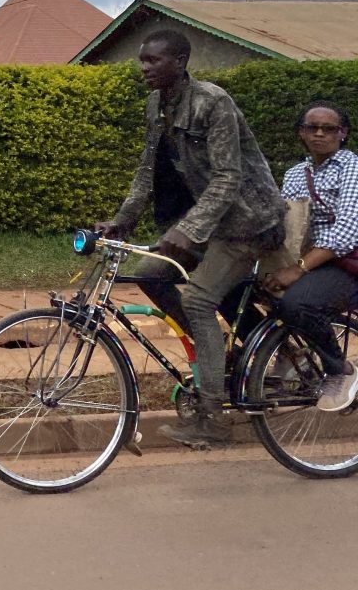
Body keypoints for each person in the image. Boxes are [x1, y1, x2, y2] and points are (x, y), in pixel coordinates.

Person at [96, 29, 283, 448]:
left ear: (179, 62)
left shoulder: (212, 102)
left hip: (248, 221)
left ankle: (212, 419)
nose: (143, 67)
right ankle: (215, 357)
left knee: (199, 300)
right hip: (212, 220)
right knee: (152, 275)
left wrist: (186, 230)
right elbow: (148, 170)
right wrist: (121, 221)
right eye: (142, 60)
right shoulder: (156, 104)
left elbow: (228, 177)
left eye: (153, 60)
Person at [264, 101, 358, 411]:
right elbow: (288, 225)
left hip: (346, 262)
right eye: (311, 128)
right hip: (314, 262)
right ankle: (293, 358)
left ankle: (338, 370)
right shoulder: (295, 174)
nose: (319, 134)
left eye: (328, 128)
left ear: (342, 133)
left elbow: (346, 232)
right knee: (249, 288)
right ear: (301, 133)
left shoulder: (351, 167)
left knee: (298, 302)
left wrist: (299, 269)